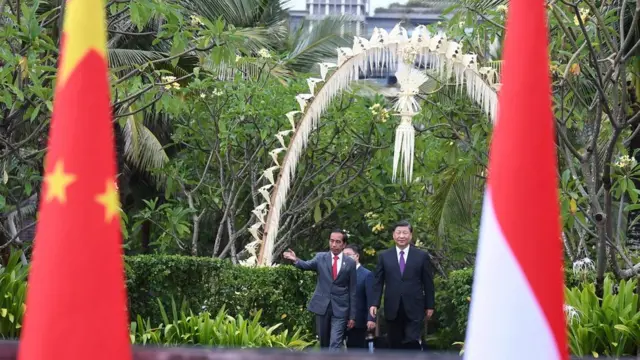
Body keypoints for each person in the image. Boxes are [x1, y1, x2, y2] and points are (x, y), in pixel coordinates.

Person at [283, 229, 357, 350]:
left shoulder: (350, 263)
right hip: (322, 306)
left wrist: (352, 316)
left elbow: (352, 290)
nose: (334, 244)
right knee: (324, 342)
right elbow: (306, 265)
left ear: (343, 244)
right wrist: (295, 259)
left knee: (335, 342)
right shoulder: (320, 257)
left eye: (338, 242)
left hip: (341, 308)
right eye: (332, 241)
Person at [369, 220, 435, 351]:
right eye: (398, 233)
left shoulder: (421, 256)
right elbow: (378, 282)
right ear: (393, 235)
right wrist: (374, 303)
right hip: (392, 306)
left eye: (405, 233)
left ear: (411, 235)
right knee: (394, 343)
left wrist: (430, 305)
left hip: (415, 306)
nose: (401, 236)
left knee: (412, 341)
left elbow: (428, 283)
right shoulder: (384, 256)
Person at [342, 244, 376, 349]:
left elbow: (371, 298)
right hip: (341, 318)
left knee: (357, 351)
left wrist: (371, 319)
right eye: (344, 255)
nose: (346, 258)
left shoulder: (367, 274)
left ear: (357, 256)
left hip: (359, 321)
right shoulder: (341, 273)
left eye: (349, 255)